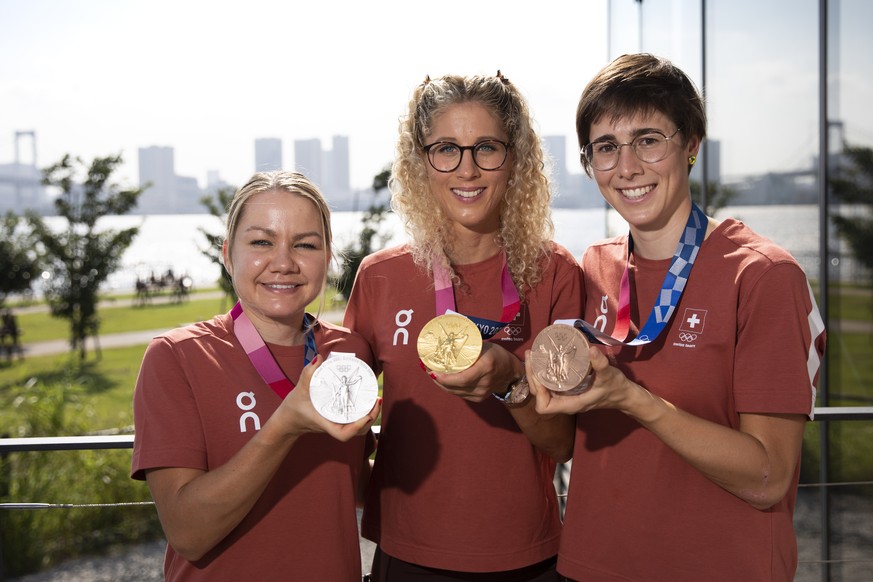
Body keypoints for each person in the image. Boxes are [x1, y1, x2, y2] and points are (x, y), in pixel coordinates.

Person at [526, 53, 827, 582]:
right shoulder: (594, 267)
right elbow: (569, 437)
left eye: (648, 139)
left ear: (690, 144)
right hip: (591, 565)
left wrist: (632, 399)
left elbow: (769, 477)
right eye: (606, 148)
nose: (626, 167)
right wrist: (513, 384)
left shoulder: (762, 276)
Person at [344, 72, 583, 581]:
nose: (467, 169)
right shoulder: (379, 276)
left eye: (487, 148)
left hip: (528, 554)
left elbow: (562, 442)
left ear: (515, 159)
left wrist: (512, 381)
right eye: (446, 149)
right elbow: (344, 415)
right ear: (419, 162)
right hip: (406, 556)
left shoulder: (555, 271)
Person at [131, 171, 382, 581]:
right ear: (228, 255)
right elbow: (189, 533)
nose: (283, 263)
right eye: (262, 242)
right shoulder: (176, 357)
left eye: (305, 245)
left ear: (327, 257)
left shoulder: (349, 354)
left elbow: (352, 488)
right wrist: (284, 426)